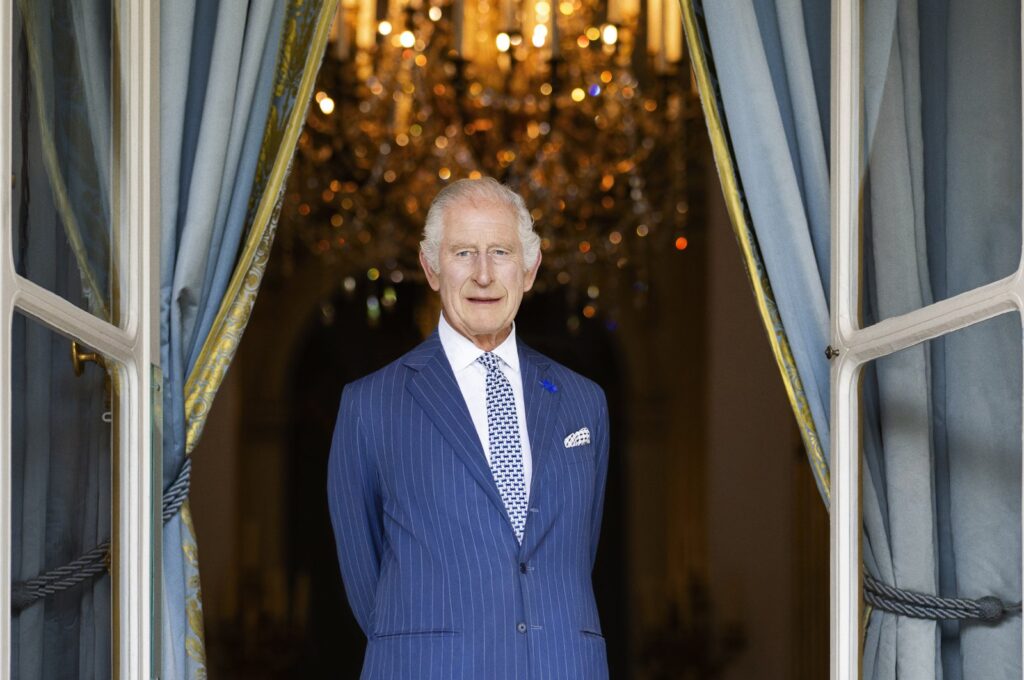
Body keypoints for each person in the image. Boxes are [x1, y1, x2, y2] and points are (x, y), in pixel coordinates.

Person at [328, 177, 610, 679]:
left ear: (530, 268)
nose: (484, 275)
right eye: (463, 253)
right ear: (431, 268)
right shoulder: (370, 405)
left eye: (500, 251)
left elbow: (577, 551)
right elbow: (364, 574)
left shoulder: (583, 403)